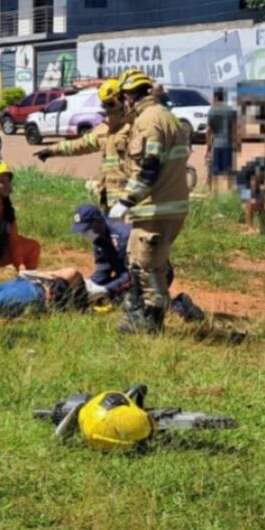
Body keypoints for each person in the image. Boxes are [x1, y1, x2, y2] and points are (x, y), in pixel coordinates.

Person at [111, 69, 191, 334]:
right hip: (169, 206)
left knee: (146, 267)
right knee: (142, 263)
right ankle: (141, 317)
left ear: (129, 96)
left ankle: (150, 324)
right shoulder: (167, 117)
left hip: (156, 208)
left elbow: (149, 167)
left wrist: (125, 200)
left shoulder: (149, 121)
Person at [35, 79, 130, 212]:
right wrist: (51, 150)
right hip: (109, 198)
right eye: (104, 105)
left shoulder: (134, 128)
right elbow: (80, 144)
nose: (107, 109)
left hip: (128, 200)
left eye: (111, 104)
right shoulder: (104, 129)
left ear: (124, 101)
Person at [0, 162, 41, 272]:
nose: (8, 185)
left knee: (32, 247)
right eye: (2, 182)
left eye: (8, 181)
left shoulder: (7, 208)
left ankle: (26, 282)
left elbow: (14, 240)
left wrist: (21, 266)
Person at [205, 87, 240, 193]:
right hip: (228, 144)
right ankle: (229, 192)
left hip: (217, 145)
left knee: (215, 171)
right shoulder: (230, 111)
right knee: (229, 171)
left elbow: (208, 131)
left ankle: (214, 193)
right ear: (223, 97)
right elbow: (235, 129)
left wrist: (208, 146)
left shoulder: (212, 111)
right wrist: (237, 143)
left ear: (215, 97)